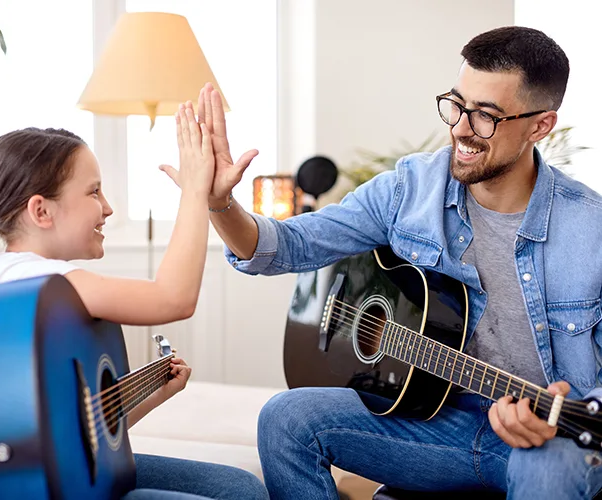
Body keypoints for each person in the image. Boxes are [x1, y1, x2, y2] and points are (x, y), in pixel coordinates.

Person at [175, 27, 602, 499]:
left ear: (540, 126)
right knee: (286, 419)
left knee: (551, 473)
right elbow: (289, 246)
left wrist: (565, 409)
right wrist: (220, 203)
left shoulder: (591, 230)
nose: (461, 128)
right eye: (457, 105)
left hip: (548, 440)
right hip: (434, 423)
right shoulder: (411, 189)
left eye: (486, 116)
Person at [0, 104, 269, 500]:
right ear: (41, 211)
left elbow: (78, 437)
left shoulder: (33, 289)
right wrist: (196, 190)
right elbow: (174, 299)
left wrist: (155, 392)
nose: (107, 207)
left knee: (238, 488)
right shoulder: (32, 282)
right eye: (93, 191)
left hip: (54, 480)